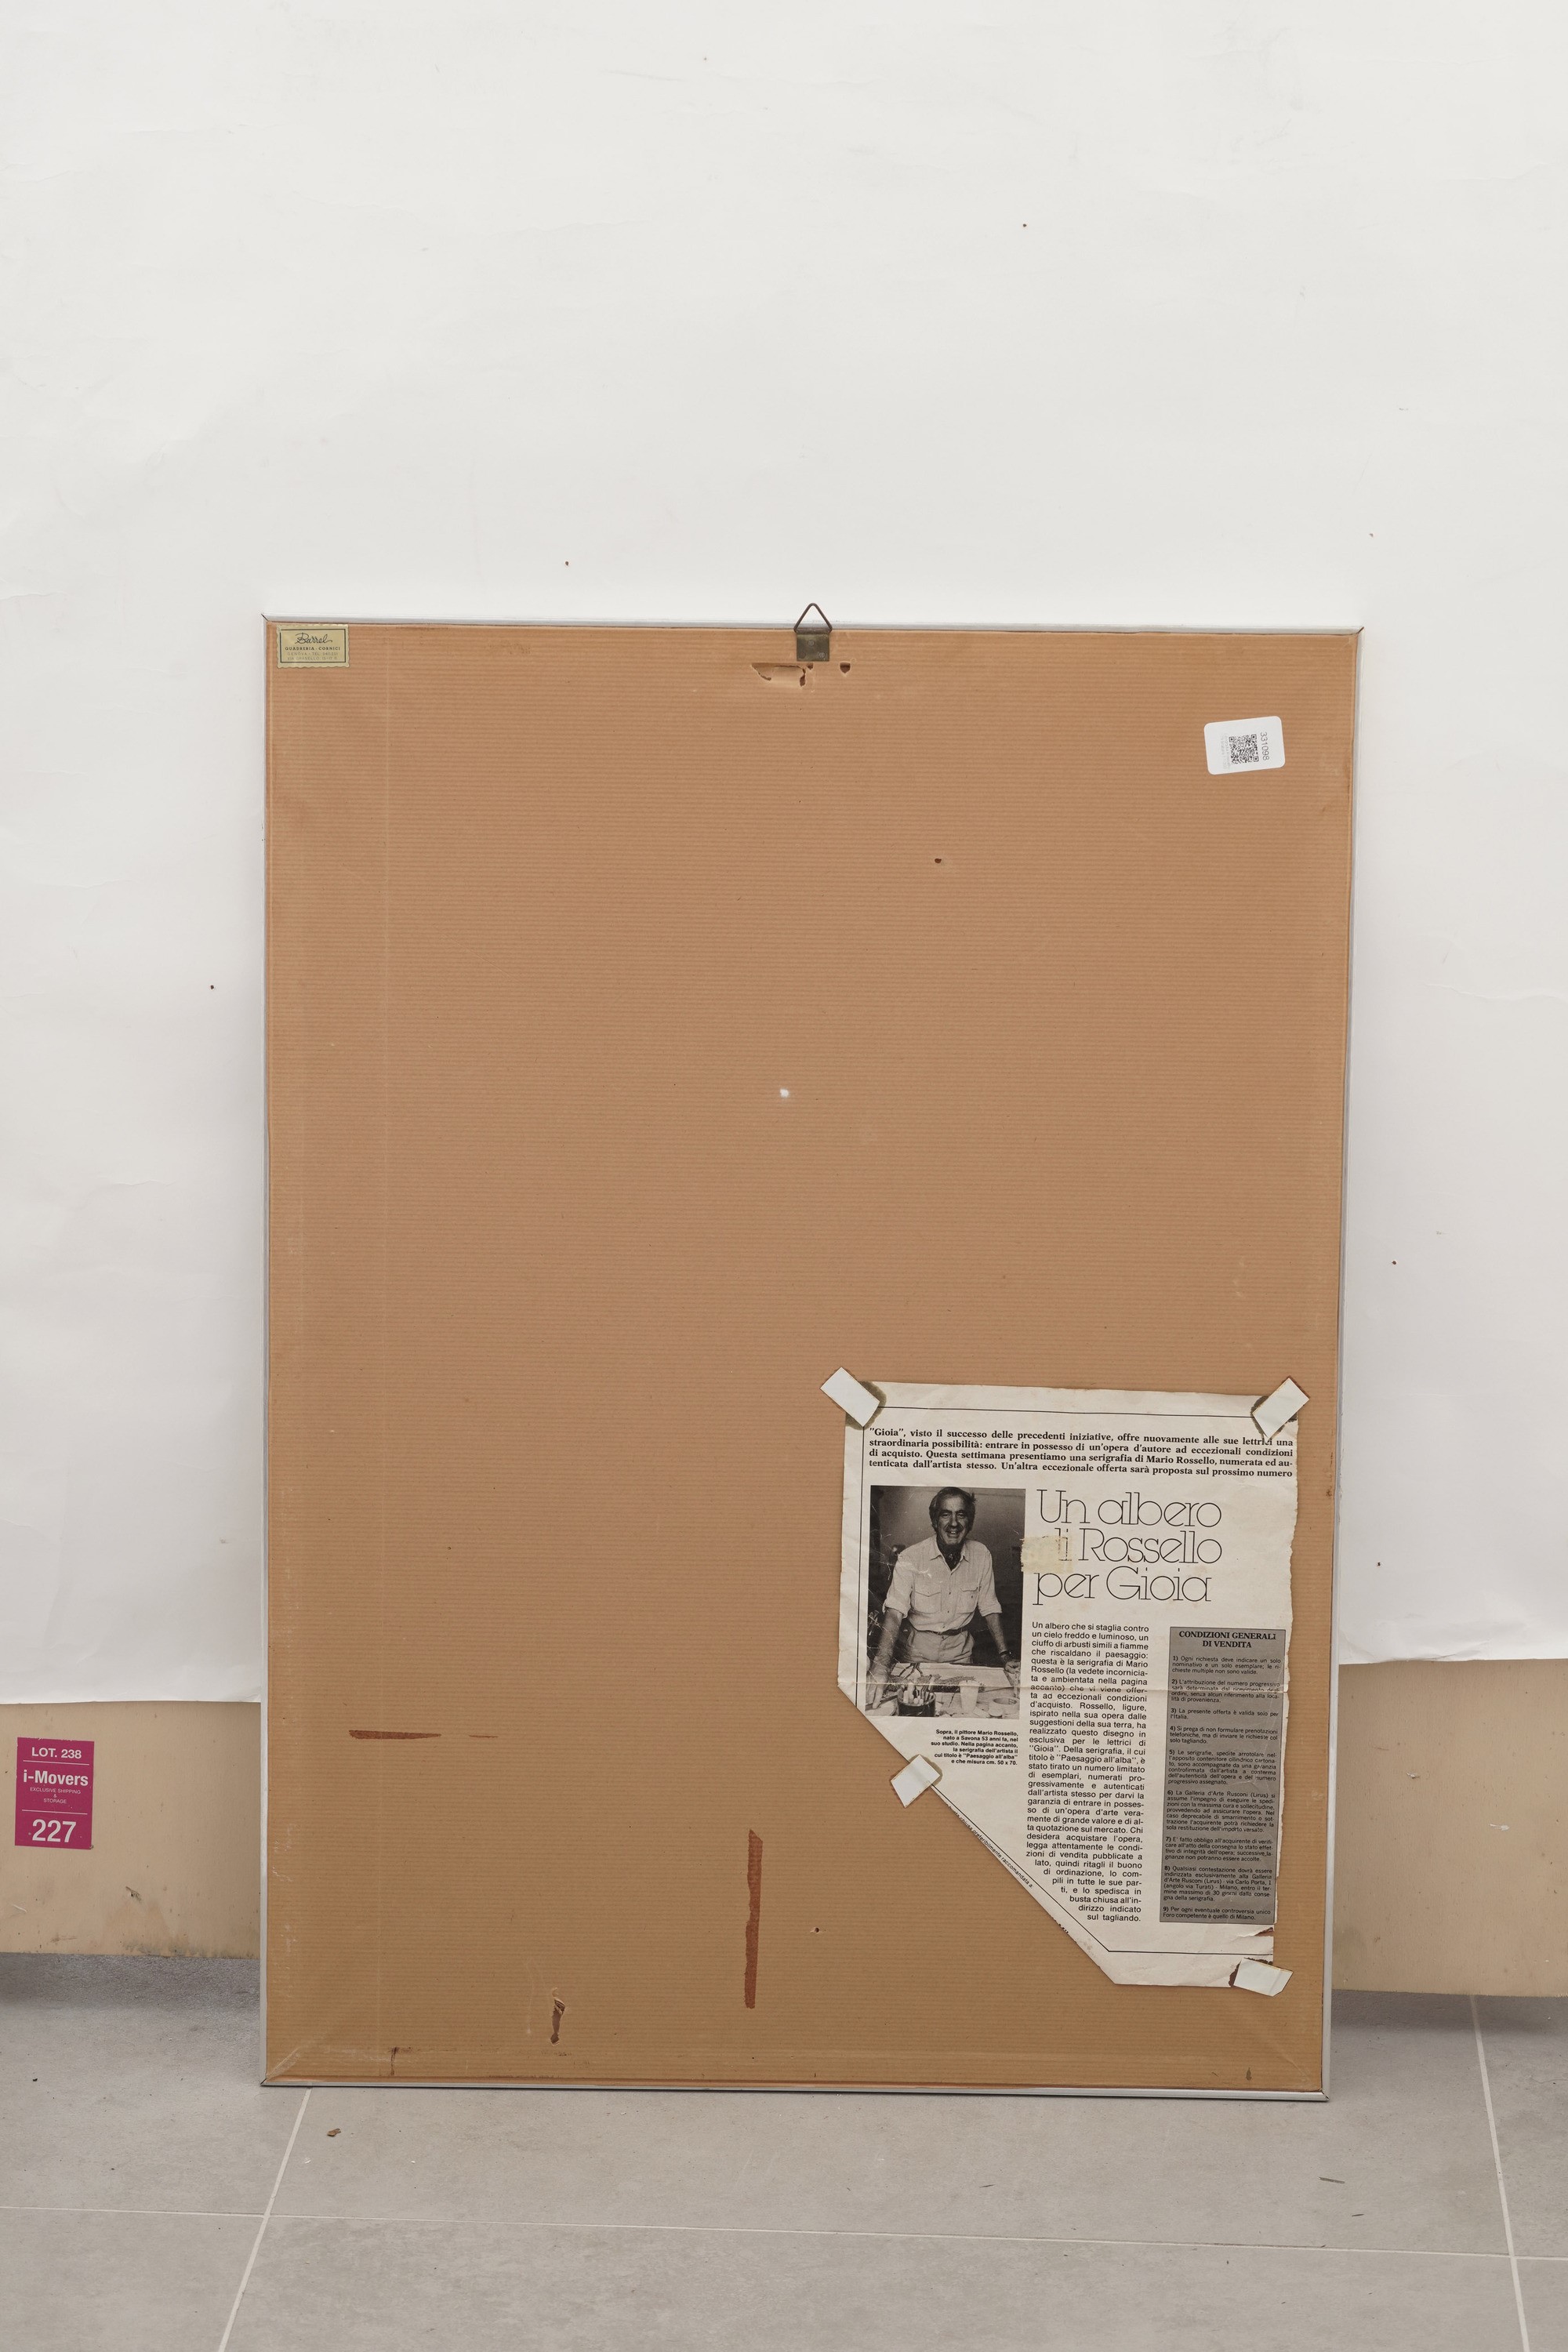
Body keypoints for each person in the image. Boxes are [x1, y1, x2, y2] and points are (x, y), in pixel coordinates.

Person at [866, 1488, 1018, 1707]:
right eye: (946, 1514)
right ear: (935, 1521)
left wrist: (1005, 1656)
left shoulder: (981, 1555)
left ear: (969, 1521)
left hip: (961, 1655)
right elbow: (894, 1613)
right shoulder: (911, 1558)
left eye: (961, 1514)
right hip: (917, 1655)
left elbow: (990, 1608)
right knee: (914, 1706)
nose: (954, 1523)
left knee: (963, 1709)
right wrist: (881, 1665)